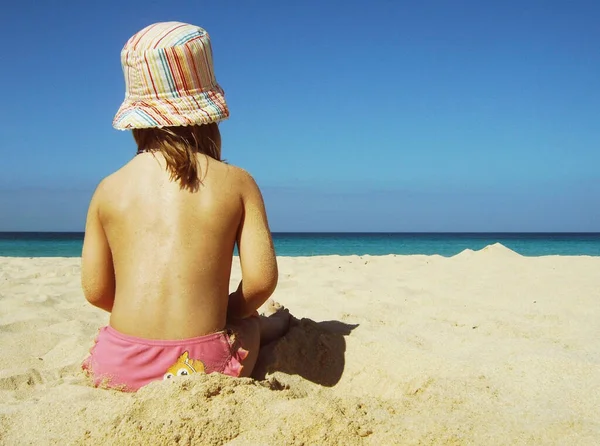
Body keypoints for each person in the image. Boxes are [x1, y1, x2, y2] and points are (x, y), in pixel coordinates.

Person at [81, 21, 290, 392]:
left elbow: (96, 291)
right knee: (248, 325)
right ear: (207, 112)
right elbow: (261, 281)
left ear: (136, 120)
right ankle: (267, 326)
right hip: (198, 366)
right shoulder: (237, 182)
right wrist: (223, 311)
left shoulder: (107, 189)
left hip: (119, 360)